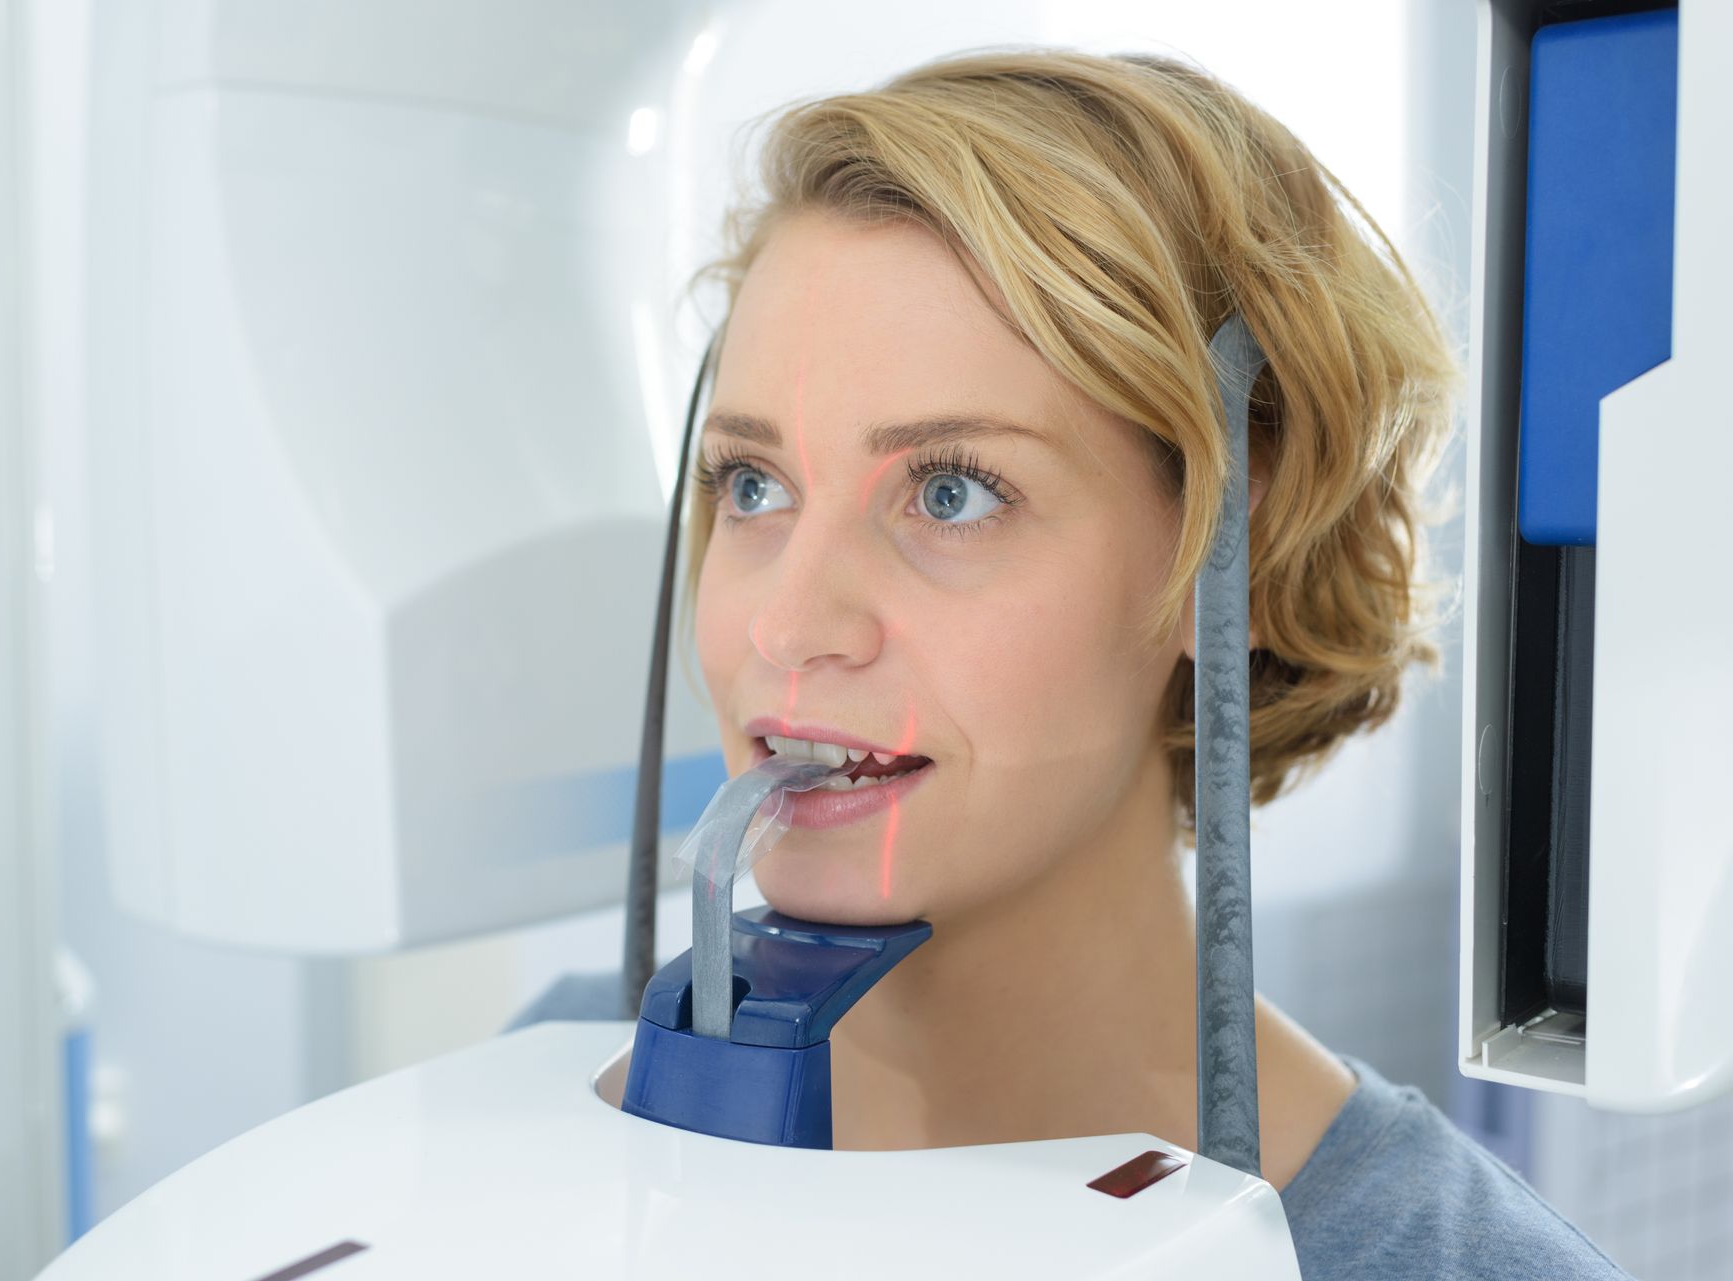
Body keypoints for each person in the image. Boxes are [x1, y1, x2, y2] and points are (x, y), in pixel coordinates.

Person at [523, 48, 1628, 1280]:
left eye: (951, 491)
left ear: (1237, 561)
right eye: (754, 484)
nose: (788, 627)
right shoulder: (541, 1081)